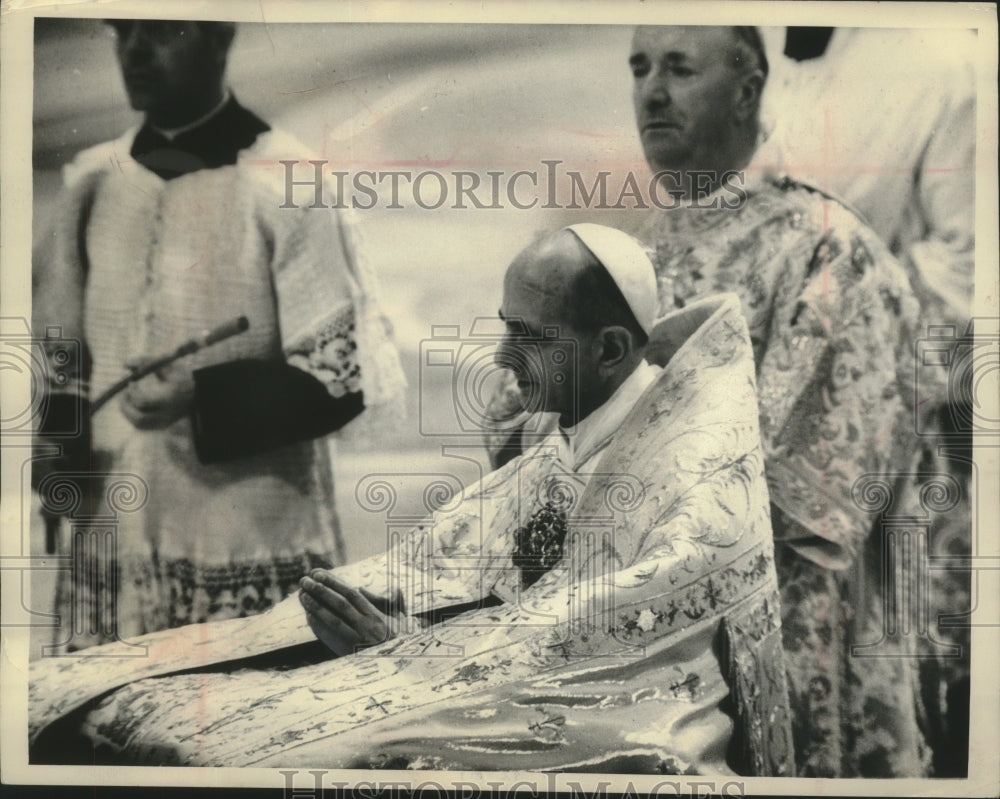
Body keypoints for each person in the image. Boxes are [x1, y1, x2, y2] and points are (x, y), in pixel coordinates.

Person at [30, 226, 793, 776]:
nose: (500, 358)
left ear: (611, 351)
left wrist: (407, 652)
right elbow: (464, 558)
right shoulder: (563, 423)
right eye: (505, 327)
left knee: (247, 752)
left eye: (532, 336)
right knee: (115, 694)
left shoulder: (693, 470)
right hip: (485, 670)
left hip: (620, 710)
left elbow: (607, 640)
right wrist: (392, 623)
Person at [485, 26, 927, 778]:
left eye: (680, 68)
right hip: (627, 639)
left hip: (780, 637)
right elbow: (525, 431)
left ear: (748, 90)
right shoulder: (621, 253)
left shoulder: (827, 251)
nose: (652, 91)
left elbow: (792, 499)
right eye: (639, 67)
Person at [31, 20, 405, 650]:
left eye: (161, 32)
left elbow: (340, 383)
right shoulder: (93, 182)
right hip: (110, 535)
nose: (134, 52)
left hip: (246, 535)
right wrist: (57, 446)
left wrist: (197, 397)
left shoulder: (290, 183)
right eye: (122, 33)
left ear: (218, 37)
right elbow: (65, 350)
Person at [757, 27, 976, 776]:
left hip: (892, 409)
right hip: (772, 406)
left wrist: (845, 317)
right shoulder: (749, 52)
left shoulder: (943, 66)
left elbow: (970, 258)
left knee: (906, 656)